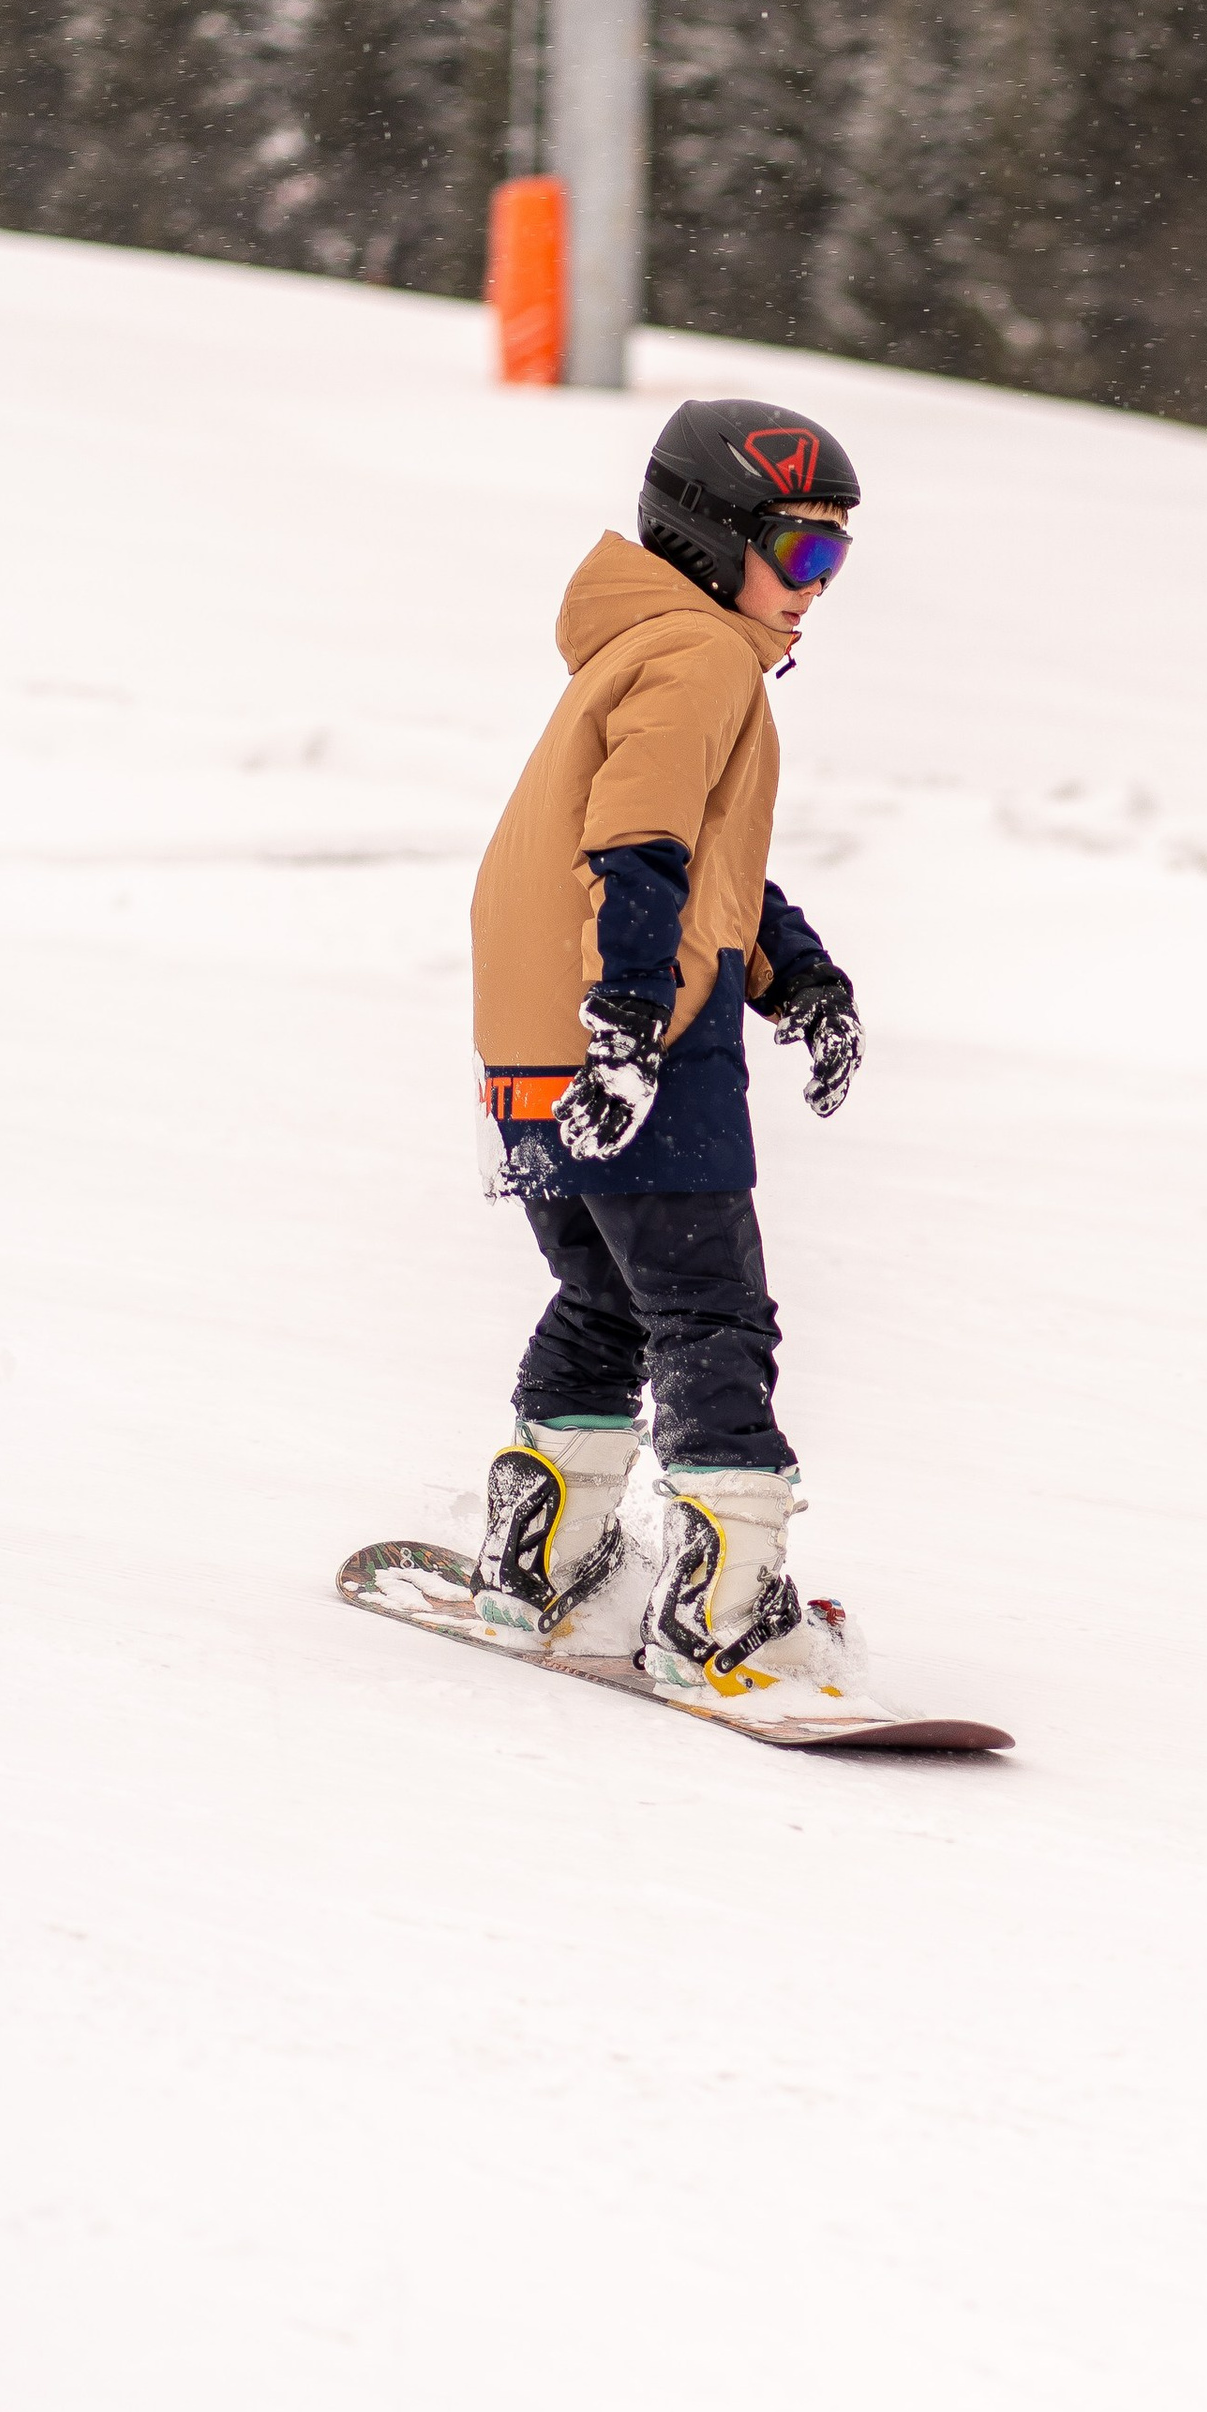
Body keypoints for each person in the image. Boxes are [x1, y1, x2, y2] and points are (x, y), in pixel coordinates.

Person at [466, 396, 866, 1715]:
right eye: (802, 553)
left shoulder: (639, 650)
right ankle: (727, 1610)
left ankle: (553, 1563)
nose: (817, 589)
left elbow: (701, 859)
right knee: (715, 1319)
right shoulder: (700, 656)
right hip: (629, 1043)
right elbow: (638, 854)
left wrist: (794, 974)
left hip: (534, 1052)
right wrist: (633, 1028)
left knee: (612, 1306)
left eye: (835, 560)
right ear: (715, 538)